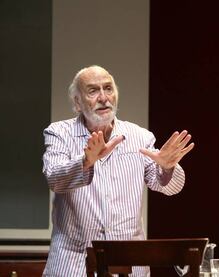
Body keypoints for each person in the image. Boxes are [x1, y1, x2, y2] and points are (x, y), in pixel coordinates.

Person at [42, 65, 194, 277]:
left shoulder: (140, 136)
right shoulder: (59, 133)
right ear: (77, 102)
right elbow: (54, 178)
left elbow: (169, 187)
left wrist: (167, 167)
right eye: (93, 91)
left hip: (130, 265)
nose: (104, 97)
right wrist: (86, 160)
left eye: (108, 88)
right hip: (73, 265)